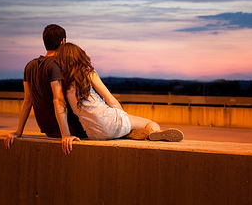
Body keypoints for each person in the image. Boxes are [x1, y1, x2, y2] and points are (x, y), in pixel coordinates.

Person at [54, 42, 183, 154]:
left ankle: (130, 133)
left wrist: (66, 135)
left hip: (94, 133)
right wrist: (122, 115)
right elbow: (110, 99)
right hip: (109, 120)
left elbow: (61, 106)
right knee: (150, 122)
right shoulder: (88, 73)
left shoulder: (61, 83)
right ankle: (154, 132)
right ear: (79, 56)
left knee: (122, 129)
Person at [4, 24, 87, 150]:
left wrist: (18, 132)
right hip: (69, 128)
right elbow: (58, 99)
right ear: (63, 42)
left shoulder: (29, 66)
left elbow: (27, 100)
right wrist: (66, 135)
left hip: (49, 131)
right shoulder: (56, 65)